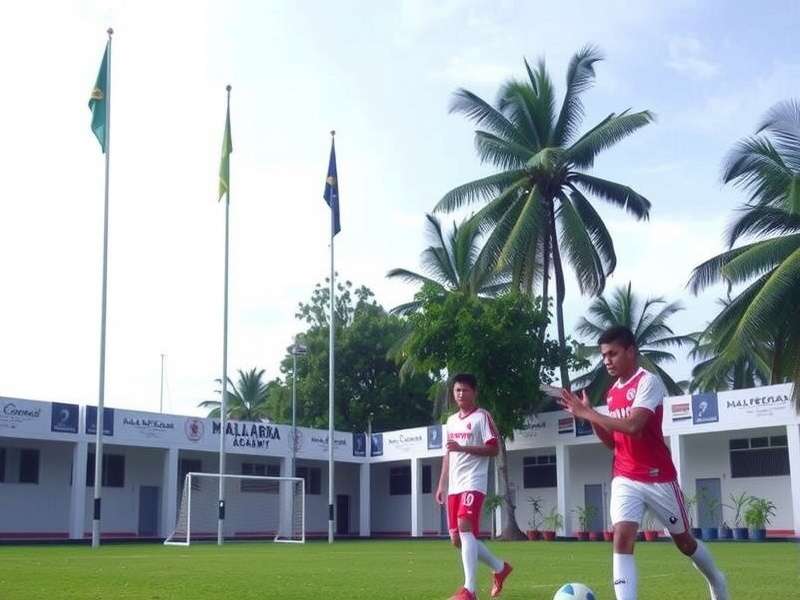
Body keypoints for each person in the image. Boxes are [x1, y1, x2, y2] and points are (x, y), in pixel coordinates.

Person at [558, 325, 728, 600]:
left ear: (630, 351)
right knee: (622, 537)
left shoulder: (648, 381)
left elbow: (634, 426)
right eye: (603, 356)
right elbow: (614, 442)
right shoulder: (613, 392)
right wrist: (588, 418)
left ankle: (717, 579)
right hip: (625, 475)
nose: (607, 361)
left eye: (612, 354)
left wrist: (589, 412)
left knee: (685, 543)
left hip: (658, 476)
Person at [435, 373, 513, 600]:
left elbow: (493, 449)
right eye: (457, 390)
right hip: (454, 486)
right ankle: (500, 568)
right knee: (457, 540)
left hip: (473, 482)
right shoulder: (450, 421)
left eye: (465, 390)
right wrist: (442, 483)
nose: (460, 394)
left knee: (465, 527)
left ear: (474, 392)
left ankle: (469, 590)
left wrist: (464, 448)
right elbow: (448, 454)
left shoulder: (482, 417)